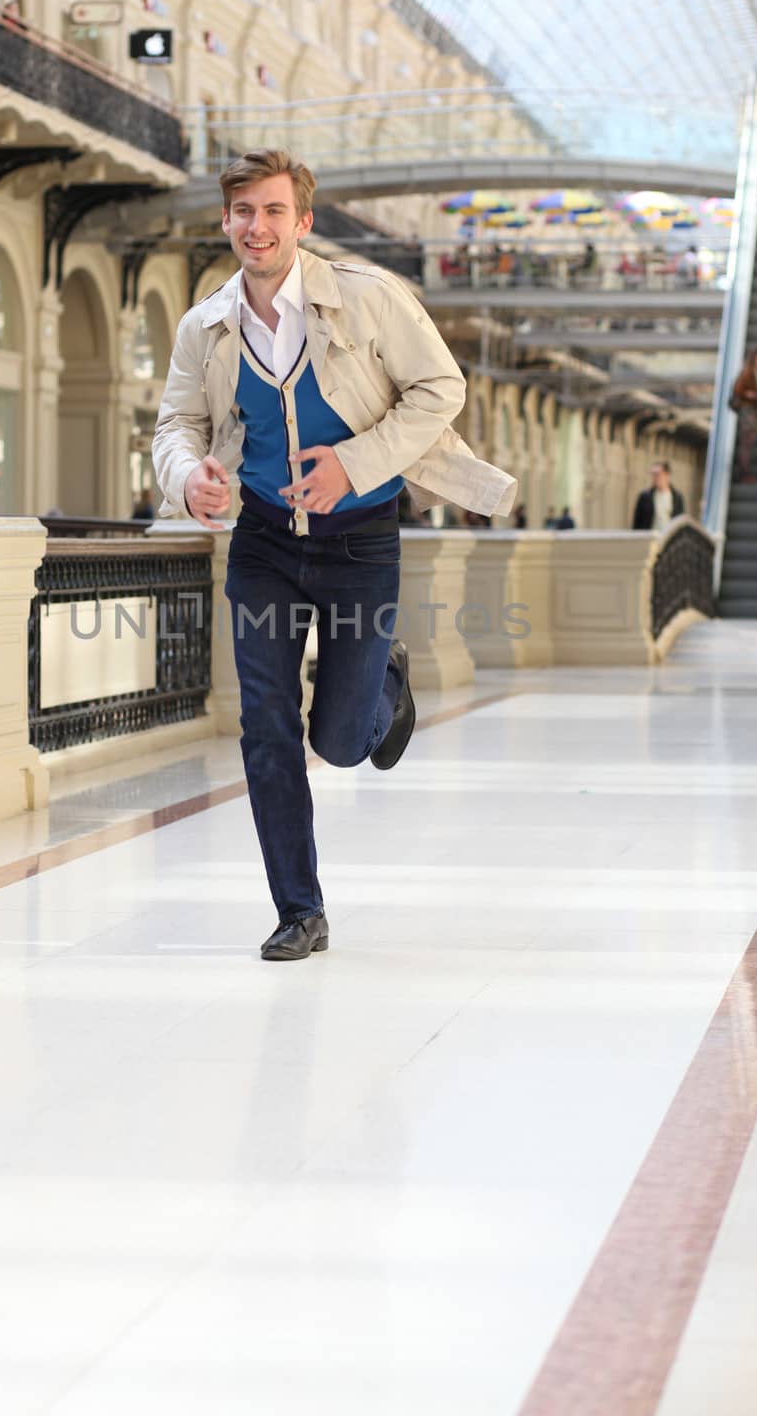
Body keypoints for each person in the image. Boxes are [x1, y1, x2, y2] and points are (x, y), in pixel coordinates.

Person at [153, 148, 516, 961]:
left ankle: (386, 676)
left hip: (361, 541)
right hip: (263, 547)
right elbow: (175, 425)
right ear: (226, 221)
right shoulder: (205, 325)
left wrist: (355, 463)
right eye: (243, 211)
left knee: (341, 743)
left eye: (274, 211)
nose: (258, 226)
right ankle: (299, 910)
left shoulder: (368, 298)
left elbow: (440, 389)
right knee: (265, 725)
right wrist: (189, 479)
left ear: (302, 222)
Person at [731, 345, 757, 483]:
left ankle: (744, 471)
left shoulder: (756, 372)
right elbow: (738, 391)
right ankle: (743, 472)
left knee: (749, 441)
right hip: (748, 411)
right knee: (746, 442)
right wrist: (750, 395)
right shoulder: (748, 371)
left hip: (753, 411)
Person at [633, 460, 685, 530]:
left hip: (668, 538)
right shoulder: (645, 497)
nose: (654, 478)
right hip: (649, 537)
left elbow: (680, 522)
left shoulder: (677, 497)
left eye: (657, 474)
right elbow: (637, 523)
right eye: (653, 474)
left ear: (667, 475)